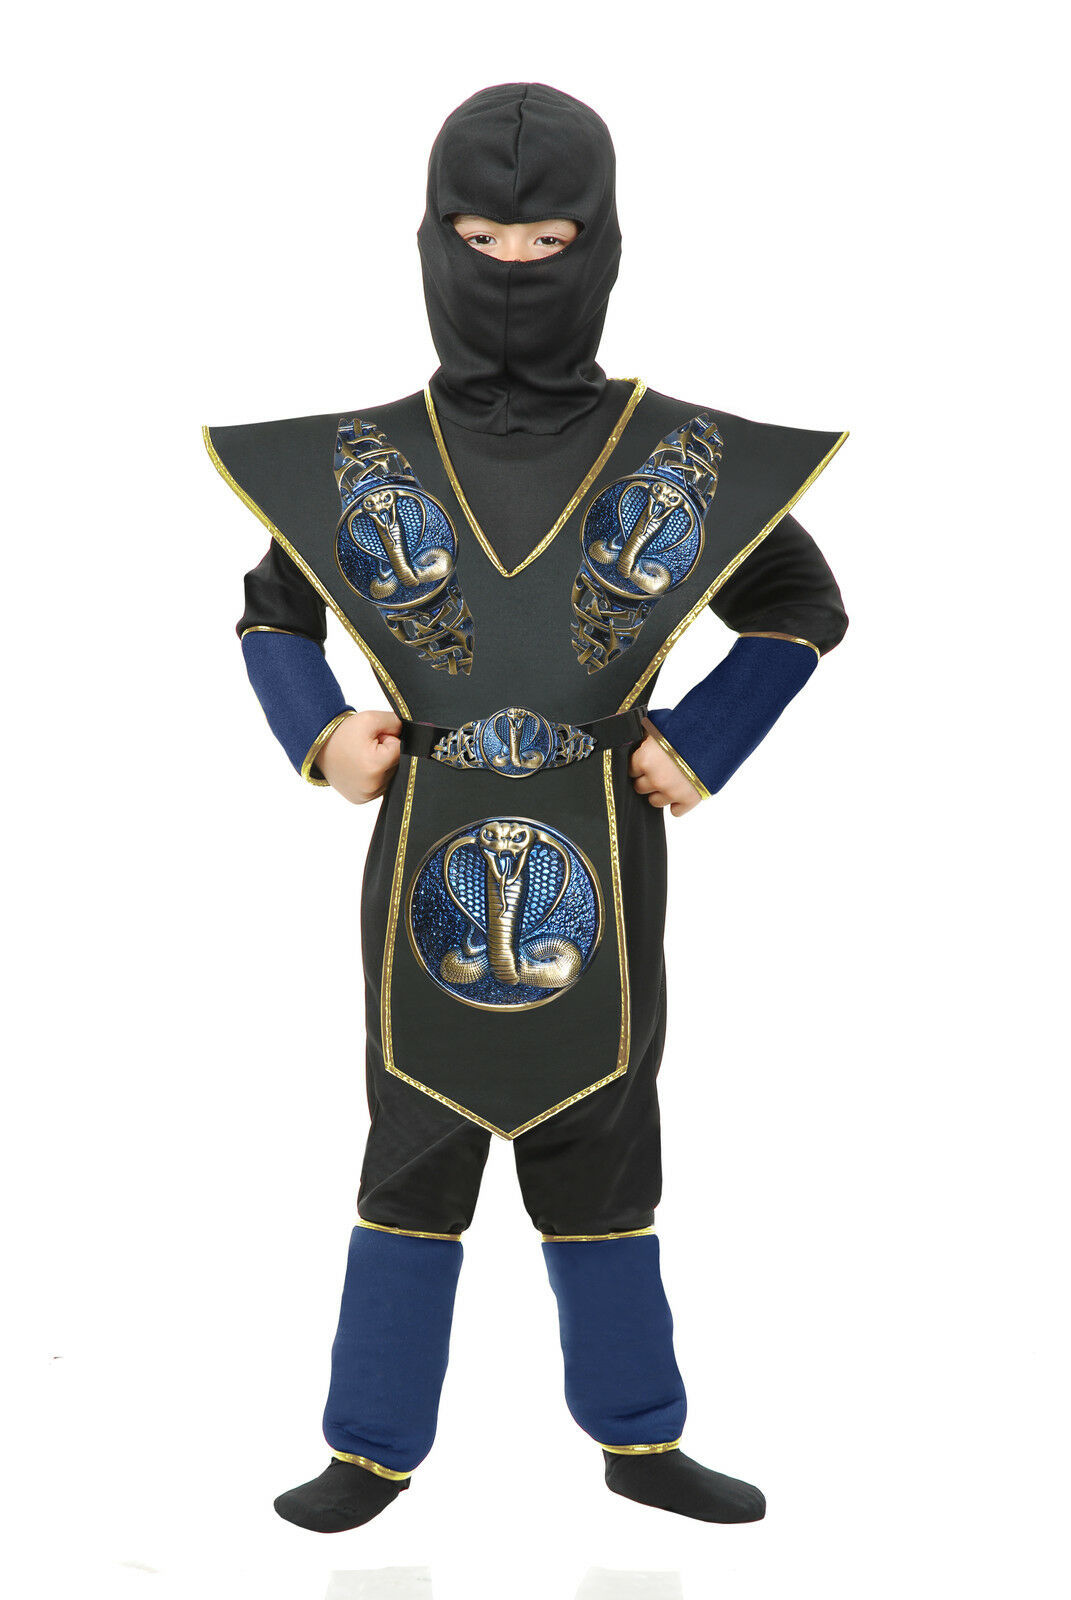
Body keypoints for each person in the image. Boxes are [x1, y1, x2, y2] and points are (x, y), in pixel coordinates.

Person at [203, 82, 848, 1532]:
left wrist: (706, 739)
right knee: (412, 1137)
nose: (510, 268)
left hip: (606, 852)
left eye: (545, 238)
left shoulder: (671, 455)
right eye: (480, 238)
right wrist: (320, 736)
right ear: (431, 240)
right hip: (422, 846)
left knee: (607, 1133)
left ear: (599, 242)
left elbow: (802, 602)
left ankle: (640, 1440)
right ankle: (369, 1445)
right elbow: (271, 615)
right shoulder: (360, 460)